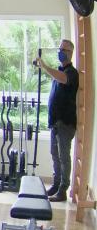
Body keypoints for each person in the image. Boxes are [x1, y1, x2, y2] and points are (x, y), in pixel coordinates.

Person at [33, 39, 79, 202]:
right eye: (59, 49)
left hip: (65, 123)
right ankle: (56, 184)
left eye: (64, 50)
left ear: (70, 53)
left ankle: (63, 190)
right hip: (55, 123)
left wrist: (45, 67)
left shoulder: (71, 73)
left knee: (63, 157)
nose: (60, 52)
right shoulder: (59, 71)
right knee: (55, 155)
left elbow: (63, 79)